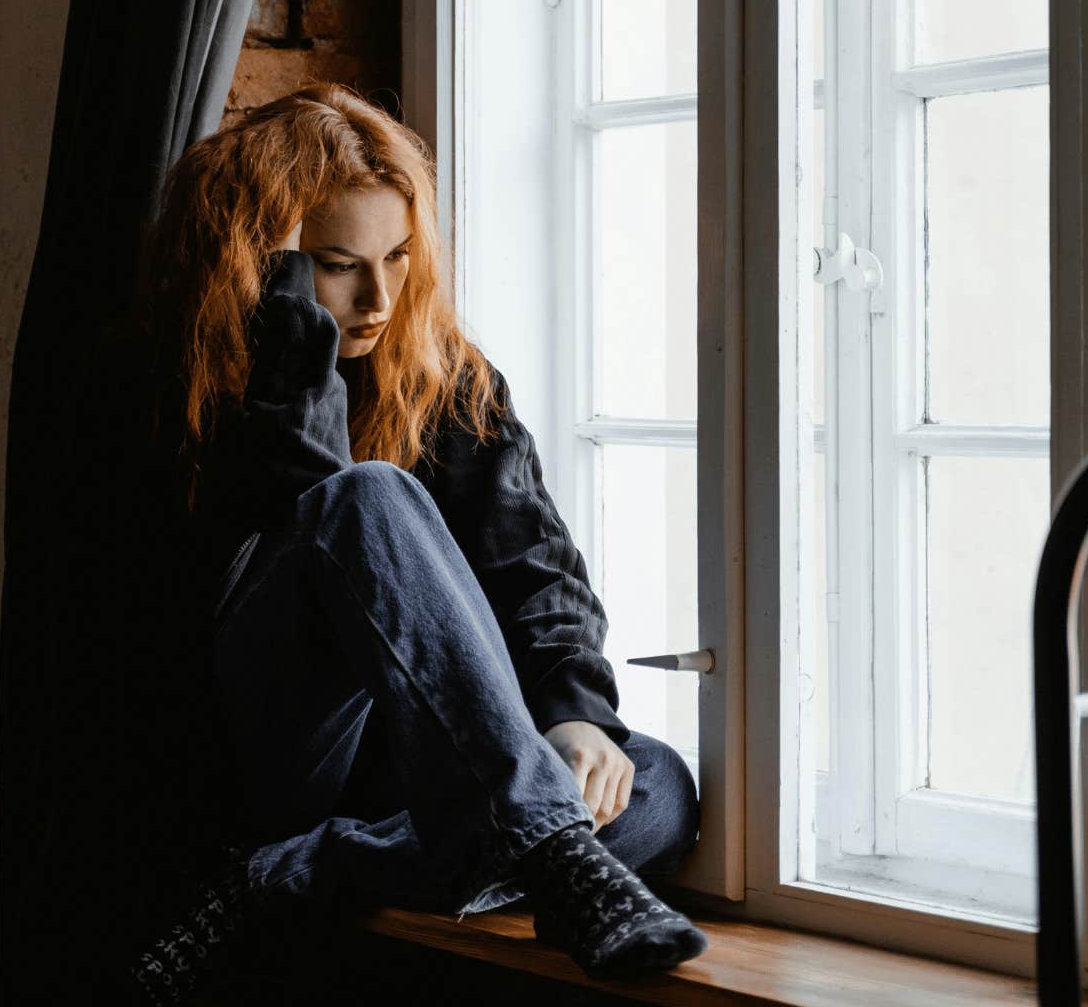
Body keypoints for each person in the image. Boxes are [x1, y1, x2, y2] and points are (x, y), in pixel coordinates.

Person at [93, 83, 707, 1003]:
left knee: (654, 782)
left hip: (419, 776)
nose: (380, 297)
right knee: (366, 495)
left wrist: (574, 713)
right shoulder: (182, 388)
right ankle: (531, 842)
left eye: (400, 257)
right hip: (269, 755)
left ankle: (292, 877)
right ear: (262, 268)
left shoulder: (442, 374)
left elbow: (535, 571)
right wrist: (293, 341)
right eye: (339, 266)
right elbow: (295, 521)